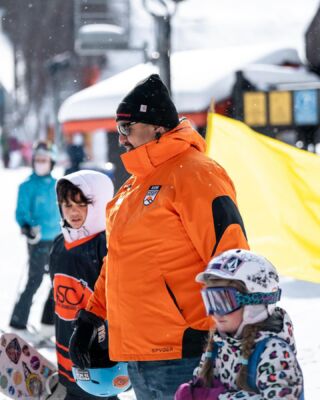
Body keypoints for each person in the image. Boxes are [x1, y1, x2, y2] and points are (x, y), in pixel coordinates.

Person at [68, 74, 249, 399]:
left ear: (157, 128)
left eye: (127, 128)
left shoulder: (196, 173)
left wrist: (237, 336)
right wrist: (92, 316)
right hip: (138, 355)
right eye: (118, 128)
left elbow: (230, 257)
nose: (121, 138)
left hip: (188, 352)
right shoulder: (132, 187)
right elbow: (118, 261)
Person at [175, 248, 304, 400]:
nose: (215, 313)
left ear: (254, 302)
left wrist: (219, 398)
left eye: (223, 301)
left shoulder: (274, 353)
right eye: (210, 301)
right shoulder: (218, 344)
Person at [48, 170, 116, 399]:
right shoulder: (59, 243)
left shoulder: (104, 245)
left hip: (98, 353)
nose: (73, 211)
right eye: (66, 205)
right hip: (66, 349)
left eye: (81, 204)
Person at [9, 140, 60, 342]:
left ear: (51, 162)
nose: (41, 163)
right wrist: (27, 228)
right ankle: (18, 323)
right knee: (35, 279)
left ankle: (47, 324)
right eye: (37, 160)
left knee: (58, 281)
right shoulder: (27, 186)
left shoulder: (58, 184)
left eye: (44, 160)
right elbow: (21, 212)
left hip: (58, 238)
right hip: (38, 240)